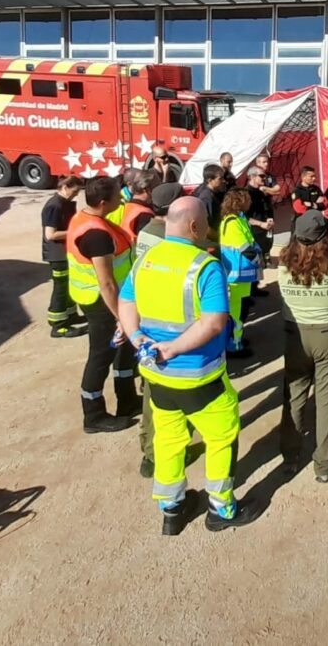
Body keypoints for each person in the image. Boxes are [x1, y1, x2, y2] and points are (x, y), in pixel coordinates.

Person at [118, 197, 258, 535]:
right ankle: (221, 507)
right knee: (222, 434)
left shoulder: (146, 260)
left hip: (156, 374)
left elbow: (126, 301)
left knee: (168, 438)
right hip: (198, 374)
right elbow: (213, 323)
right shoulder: (204, 266)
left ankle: (172, 509)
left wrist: (138, 338)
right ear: (194, 226)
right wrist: (172, 348)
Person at [67, 177, 141, 434]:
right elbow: (106, 282)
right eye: (116, 196)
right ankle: (94, 415)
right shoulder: (96, 235)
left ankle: (128, 401)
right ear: (102, 202)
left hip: (108, 301)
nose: (121, 199)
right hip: (103, 304)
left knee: (122, 351)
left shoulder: (88, 219)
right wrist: (121, 316)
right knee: (101, 357)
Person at [277, 211, 328, 483]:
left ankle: (290, 455)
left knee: (294, 393)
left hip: (295, 333)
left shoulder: (283, 267)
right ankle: (325, 463)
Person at [132, 181, 186, 479]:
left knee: (153, 392)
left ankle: (150, 452)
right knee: (163, 395)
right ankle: (157, 454)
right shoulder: (165, 237)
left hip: (146, 315)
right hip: (165, 320)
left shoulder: (146, 231)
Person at [41, 175, 89, 338]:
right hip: (57, 255)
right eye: (75, 191)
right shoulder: (54, 206)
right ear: (65, 187)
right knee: (60, 289)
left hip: (65, 252)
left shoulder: (65, 203)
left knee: (69, 285)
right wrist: (76, 231)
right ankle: (58, 325)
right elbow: (51, 234)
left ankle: (70, 315)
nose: (76, 195)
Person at [218, 188, 260, 359]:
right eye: (247, 199)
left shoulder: (239, 219)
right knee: (237, 312)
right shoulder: (232, 222)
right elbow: (245, 248)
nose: (250, 202)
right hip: (237, 277)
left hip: (242, 275)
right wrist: (258, 260)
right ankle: (234, 346)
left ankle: (237, 339)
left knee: (241, 310)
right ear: (239, 202)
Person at [292, 166, 328, 252]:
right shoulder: (297, 191)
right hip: (302, 222)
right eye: (311, 176)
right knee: (299, 247)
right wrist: (317, 204)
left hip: (316, 222)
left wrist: (311, 204)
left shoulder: (316, 189)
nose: (314, 178)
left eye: (314, 176)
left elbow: (325, 203)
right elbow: (299, 208)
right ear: (303, 177)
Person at [245, 165, 275, 296]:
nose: (265, 178)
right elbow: (244, 217)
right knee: (251, 262)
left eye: (265, 176)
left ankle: (255, 287)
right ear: (252, 177)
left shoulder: (262, 192)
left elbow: (268, 208)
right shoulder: (246, 194)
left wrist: (269, 219)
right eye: (261, 176)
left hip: (263, 230)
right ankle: (248, 292)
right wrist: (260, 224)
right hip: (252, 232)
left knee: (259, 262)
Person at [118, 170, 161, 240]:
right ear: (146, 189)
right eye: (156, 187)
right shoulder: (144, 214)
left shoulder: (127, 206)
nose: (159, 191)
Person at [196, 163, 227, 236]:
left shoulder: (214, 193)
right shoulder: (206, 197)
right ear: (210, 180)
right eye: (220, 178)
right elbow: (206, 227)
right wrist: (219, 238)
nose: (224, 181)